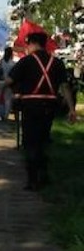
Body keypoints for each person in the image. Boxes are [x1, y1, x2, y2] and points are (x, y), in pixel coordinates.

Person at [5, 33, 77, 191]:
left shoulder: (26, 61)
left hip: (30, 105)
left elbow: (9, 81)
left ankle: (32, 179)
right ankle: (43, 175)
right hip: (50, 105)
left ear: (31, 44)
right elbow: (64, 87)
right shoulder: (57, 63)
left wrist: (17, 89)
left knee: (30, 142)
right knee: (43, 140)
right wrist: (72, 109)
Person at [0, 47, 16, 121]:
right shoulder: (13, 63)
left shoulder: (1, 62)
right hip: (9, 82)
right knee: (8, 100)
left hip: (0, 82)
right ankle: (5, 116)